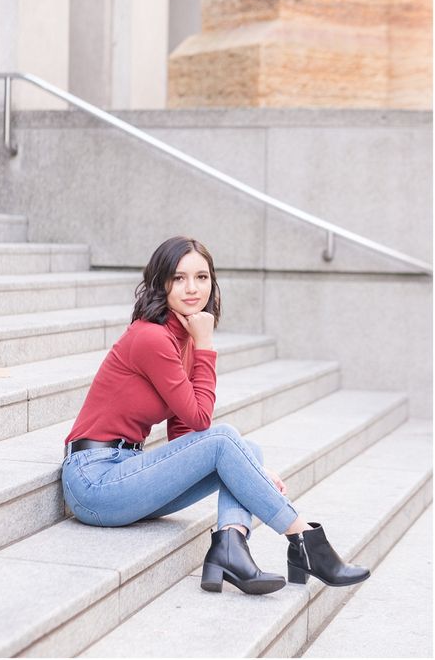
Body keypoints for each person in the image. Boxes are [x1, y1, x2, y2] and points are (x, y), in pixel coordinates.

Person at [62, 236, 370, 595]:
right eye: (179, 278)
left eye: (202, 277)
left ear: (212, 282)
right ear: (161, 282)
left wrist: (248, 469)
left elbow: (185, 434)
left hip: (126, 471)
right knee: (226, 440)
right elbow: (201, 421)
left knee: (245, 449)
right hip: (94, 481)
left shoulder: (184, 339)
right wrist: (206, 345)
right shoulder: (151, 338)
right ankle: (304, 540)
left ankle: (230, 545)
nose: (192, 288)